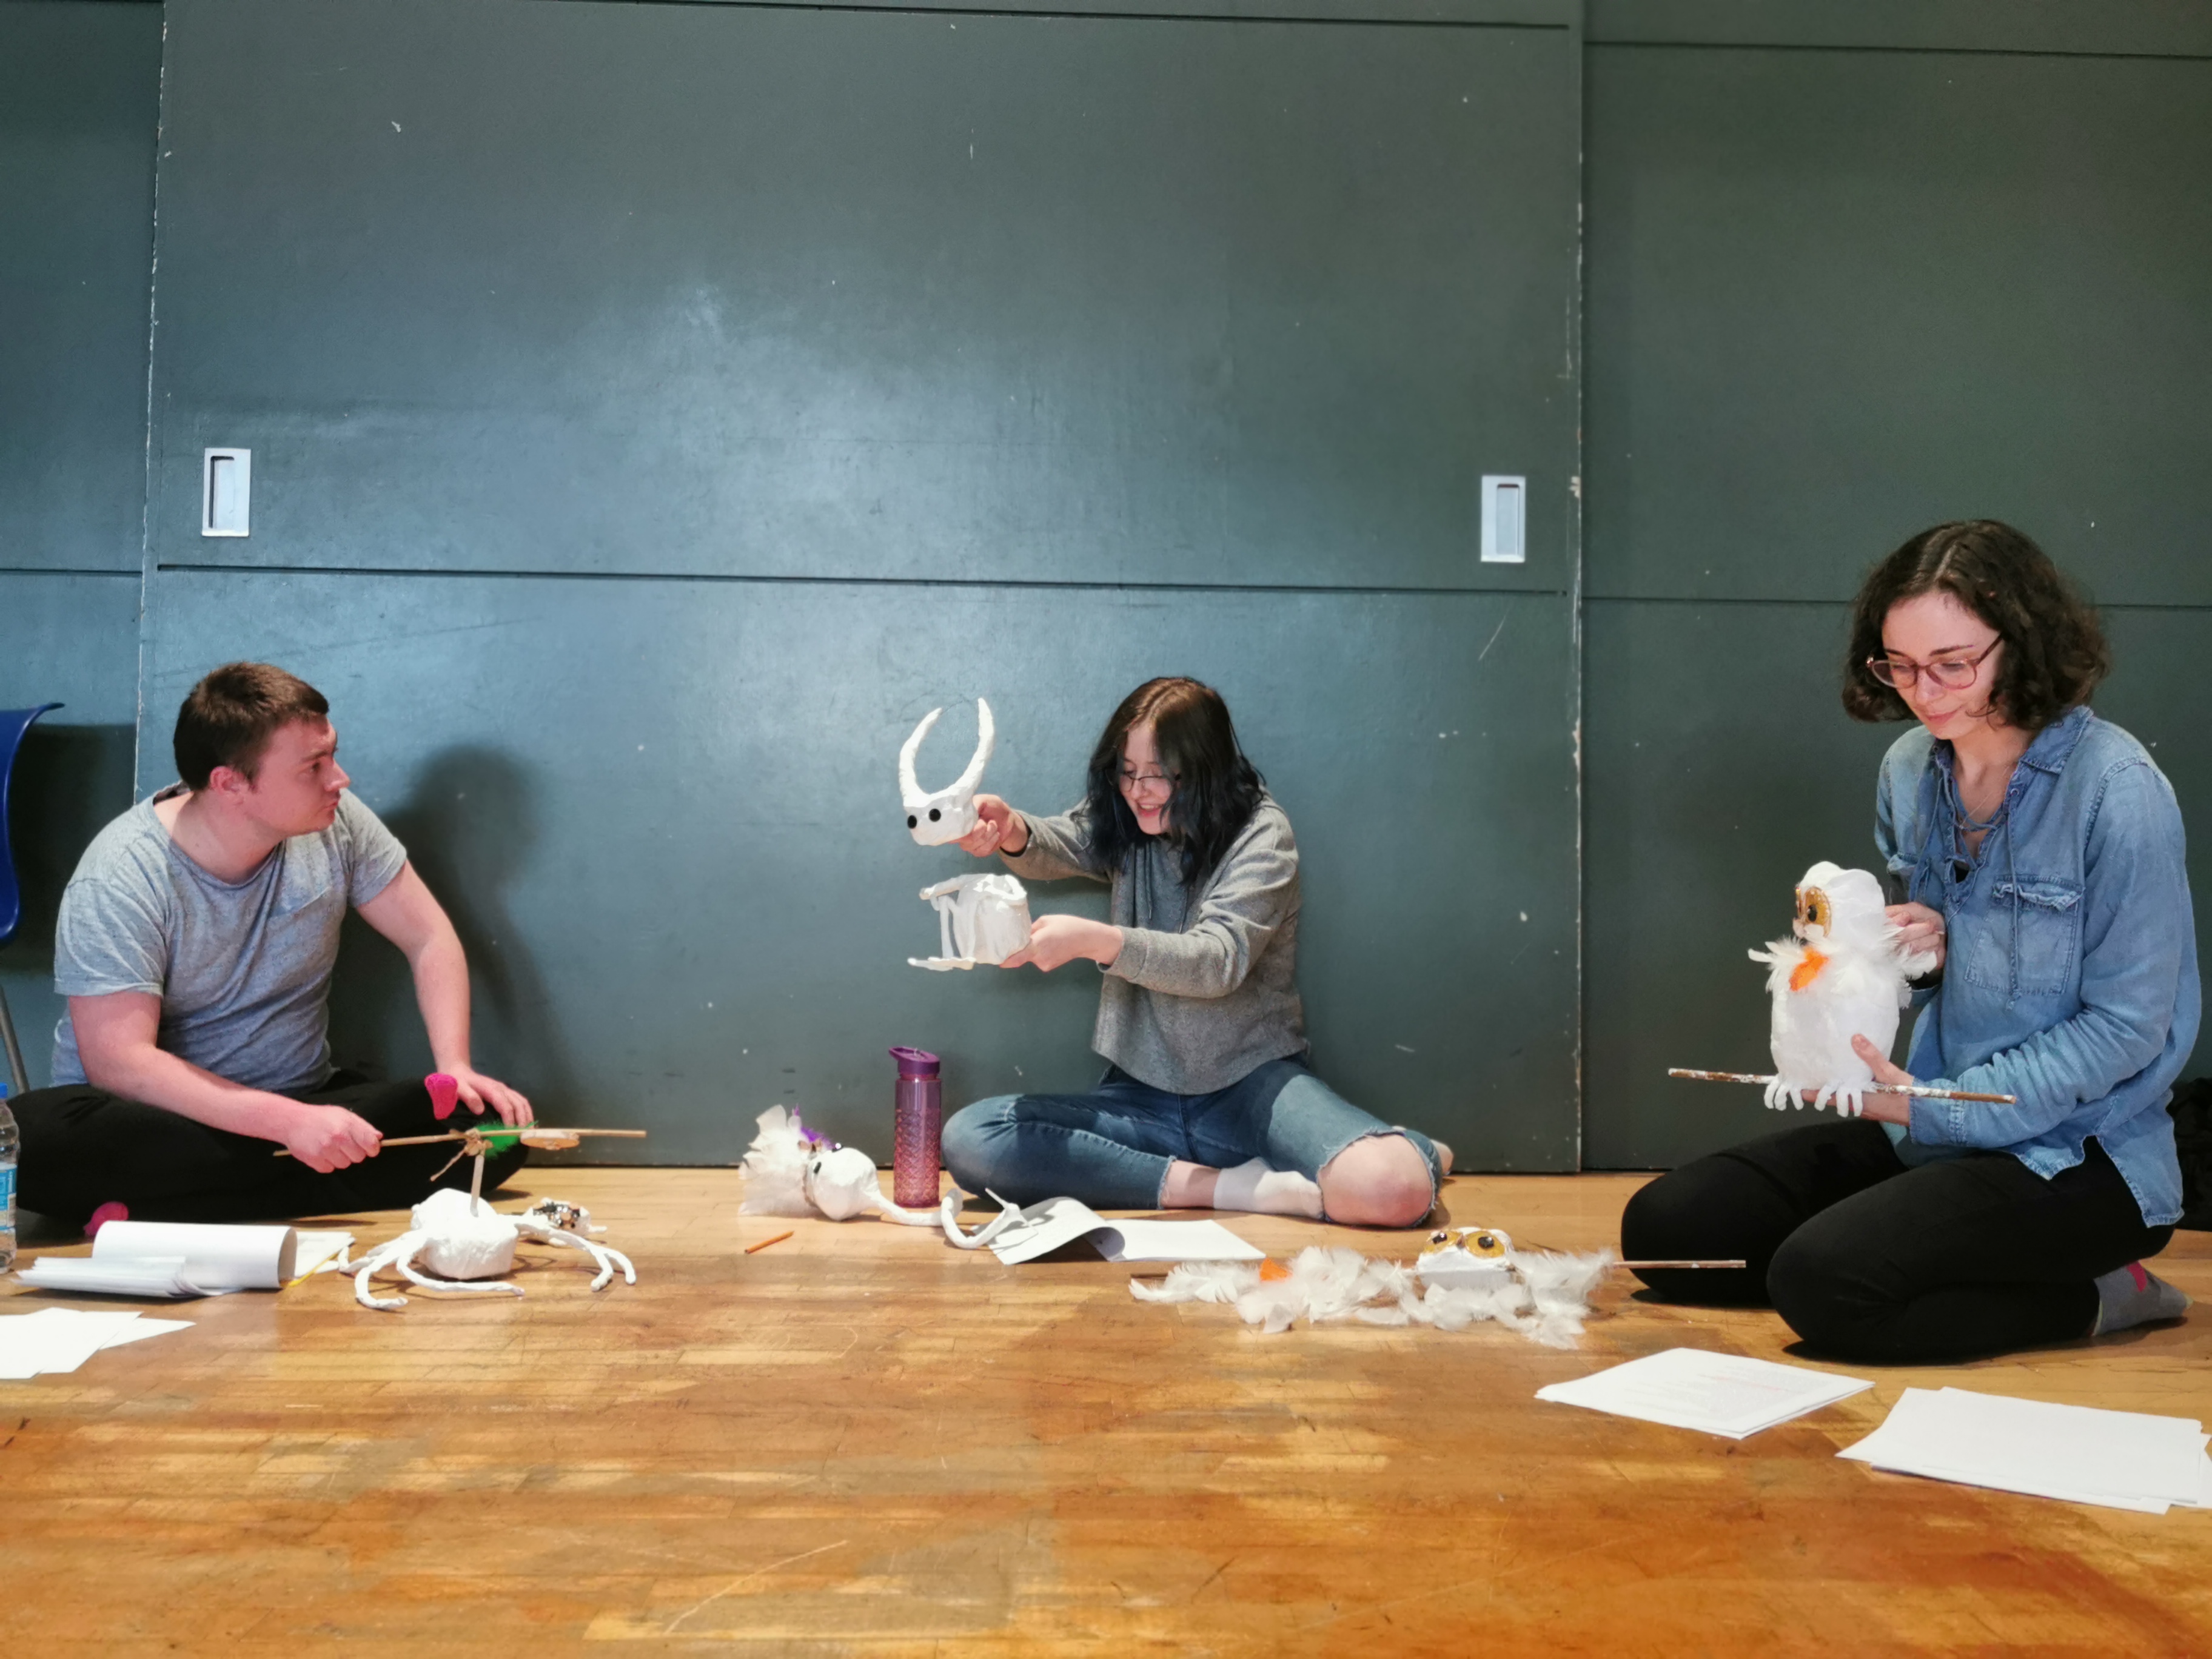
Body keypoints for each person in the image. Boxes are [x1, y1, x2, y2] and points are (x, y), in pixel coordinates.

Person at [1623, 521, 2197, 1362]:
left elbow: (2127, 1028)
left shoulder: (2119, 791)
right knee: (1669, 1234)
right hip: (1922, 1121)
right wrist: (1902, 958)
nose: (1924, 693)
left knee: (1825, 1286)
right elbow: (1934, 975)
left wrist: (1943, 1108)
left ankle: (2105, 1292)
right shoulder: (1907, 770)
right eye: (1900, 665)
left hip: (2077, 1154)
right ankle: (1911, 1244)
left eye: (1952, 664)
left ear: (2023, 641)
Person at [10, 662, 532, 1228]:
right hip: (159, 1119)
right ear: (231, 782)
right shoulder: (120, 877)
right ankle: (266, 1185)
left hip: (303, 1097)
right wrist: (282, 1125)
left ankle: (165, 1210)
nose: (340, 779)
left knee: (494, 1132)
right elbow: (120, 1065)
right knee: (37, 1138)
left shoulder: (338, 821)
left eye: (331, 754)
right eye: (314, 767)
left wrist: (455, 1065)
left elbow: (428, 935)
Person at [939, 677, 1448, 1227]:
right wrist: (1011, 828)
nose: (1139, 790)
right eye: (1128, 771)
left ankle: (1412, 1148)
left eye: (1159, 774)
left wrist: (1094, 941)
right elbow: (1069, 841)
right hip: (1139, 1101)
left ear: (1206, 768)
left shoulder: (1262, 834)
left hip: (1253, 1093)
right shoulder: (1128, 813)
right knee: (973, 1141)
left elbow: (1217, 961)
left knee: (1391, 1189)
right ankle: (1234, 1190)